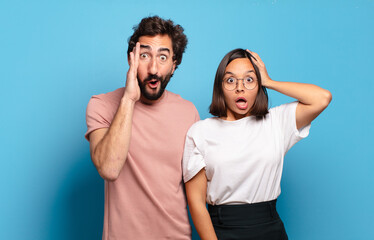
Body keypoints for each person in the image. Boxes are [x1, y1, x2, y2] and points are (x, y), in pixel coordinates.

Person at [183, 48, 332, 240]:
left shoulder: (276, 122)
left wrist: (269, 81)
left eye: (249, 79)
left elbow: (322, 98)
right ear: (220, 87)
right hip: (222, 229)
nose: (240, 87)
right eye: (230, 80)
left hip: (270, 228)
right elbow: (196, 202)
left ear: (258, 85)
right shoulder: (200, 132)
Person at [85, 16, 199, 240]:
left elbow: (197, 190)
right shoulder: (101, 105)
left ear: (174, 65)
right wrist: (128, 100)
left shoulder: (189, 112)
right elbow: (109, 169)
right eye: (145, 55)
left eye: (163, 57)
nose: (153, 68)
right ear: (131, 59)